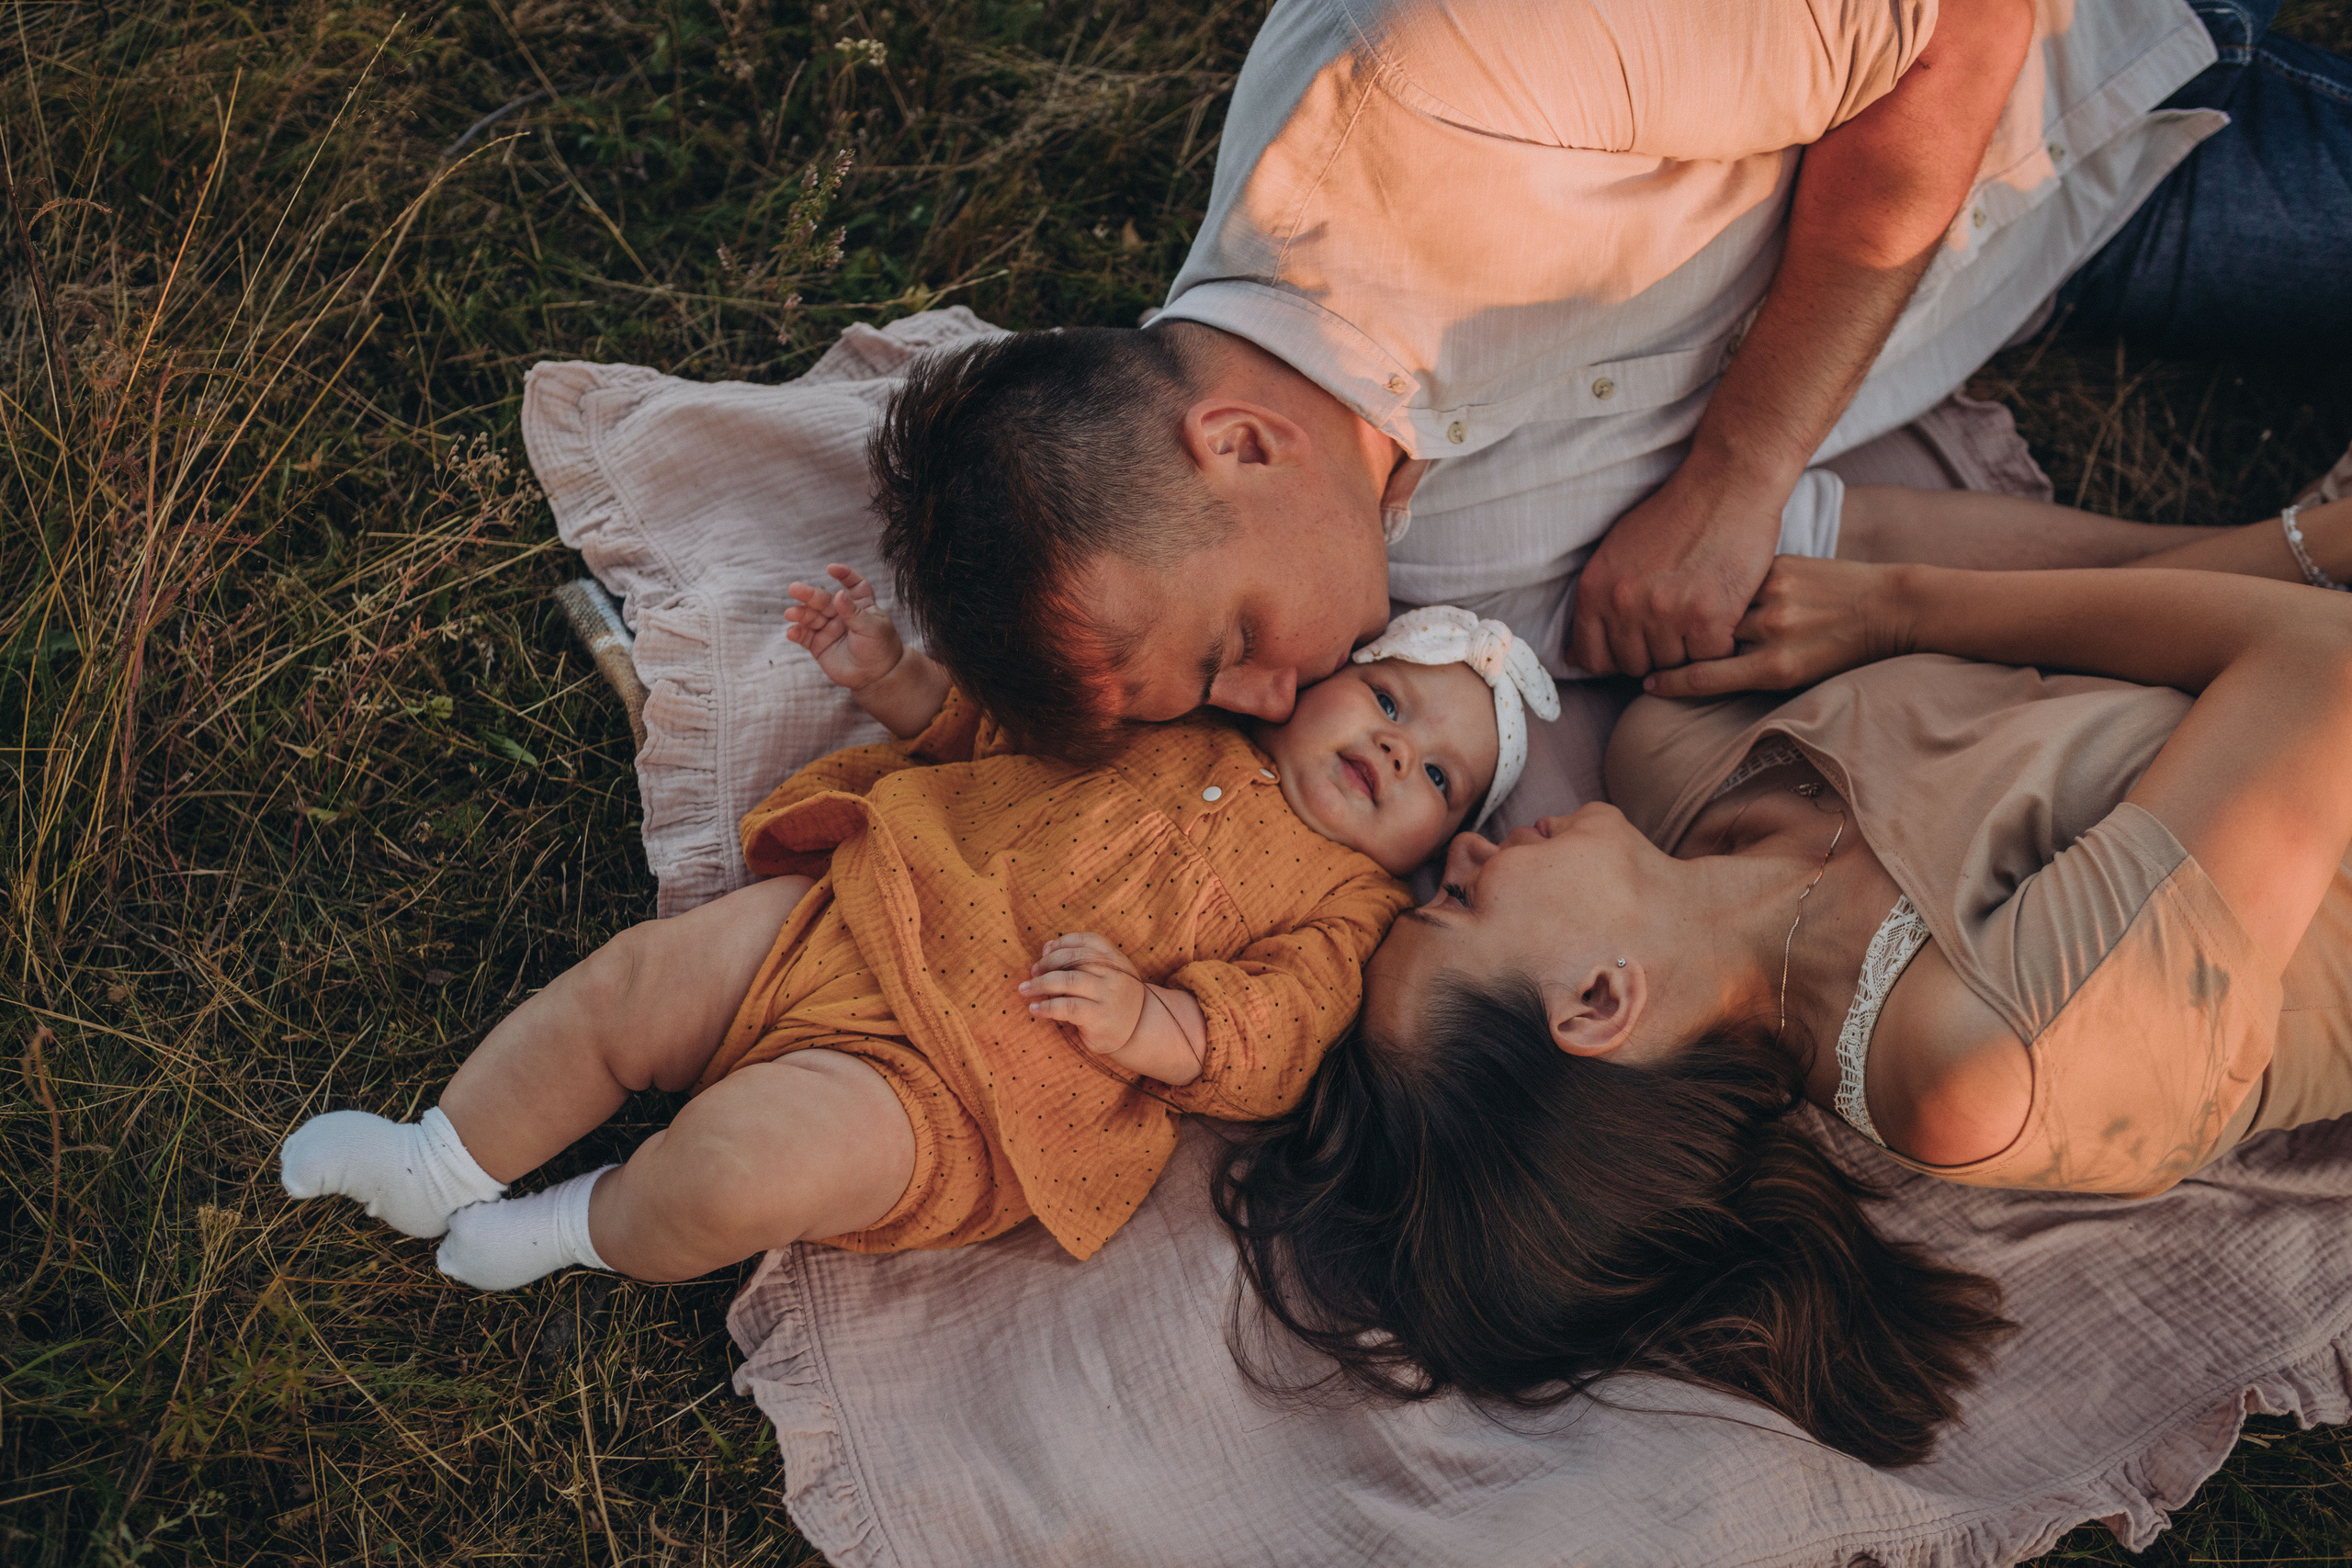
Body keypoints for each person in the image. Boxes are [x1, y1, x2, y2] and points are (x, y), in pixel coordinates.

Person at [874, 0, 2352, 821]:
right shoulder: (1404, 569)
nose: (1268, 704)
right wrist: (2266, 563)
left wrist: (1734, 472)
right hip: (2054, 234)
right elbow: (1834, 549)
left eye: (1232, 650)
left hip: (2071, 66)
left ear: (1242, 444)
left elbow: (1958, 27)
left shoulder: (1441, 67)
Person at [1216, 485, 2352, 1467]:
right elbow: (2323, 665)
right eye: (1459, 904)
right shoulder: (1975, 1064)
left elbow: (1863, 543)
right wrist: (1902, 609)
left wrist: (2302, 546)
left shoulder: (1676, 757)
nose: (1463, 851)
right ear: (1600, 1002)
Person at [274, 572, 1557, 1284]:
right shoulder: (1180, 718)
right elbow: (1006, 734)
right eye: (1389, 699)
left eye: (1440, 776)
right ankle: (438, 1158)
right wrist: (892, 676)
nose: (1398, 750)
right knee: (633, 988)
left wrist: (1155, 1020)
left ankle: (576, 1228)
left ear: (1433, 846)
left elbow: (1279, 1029)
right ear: (1321, 680)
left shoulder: (1348, 907)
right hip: (860, 913)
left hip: (966, 1087)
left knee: (732, 1172)